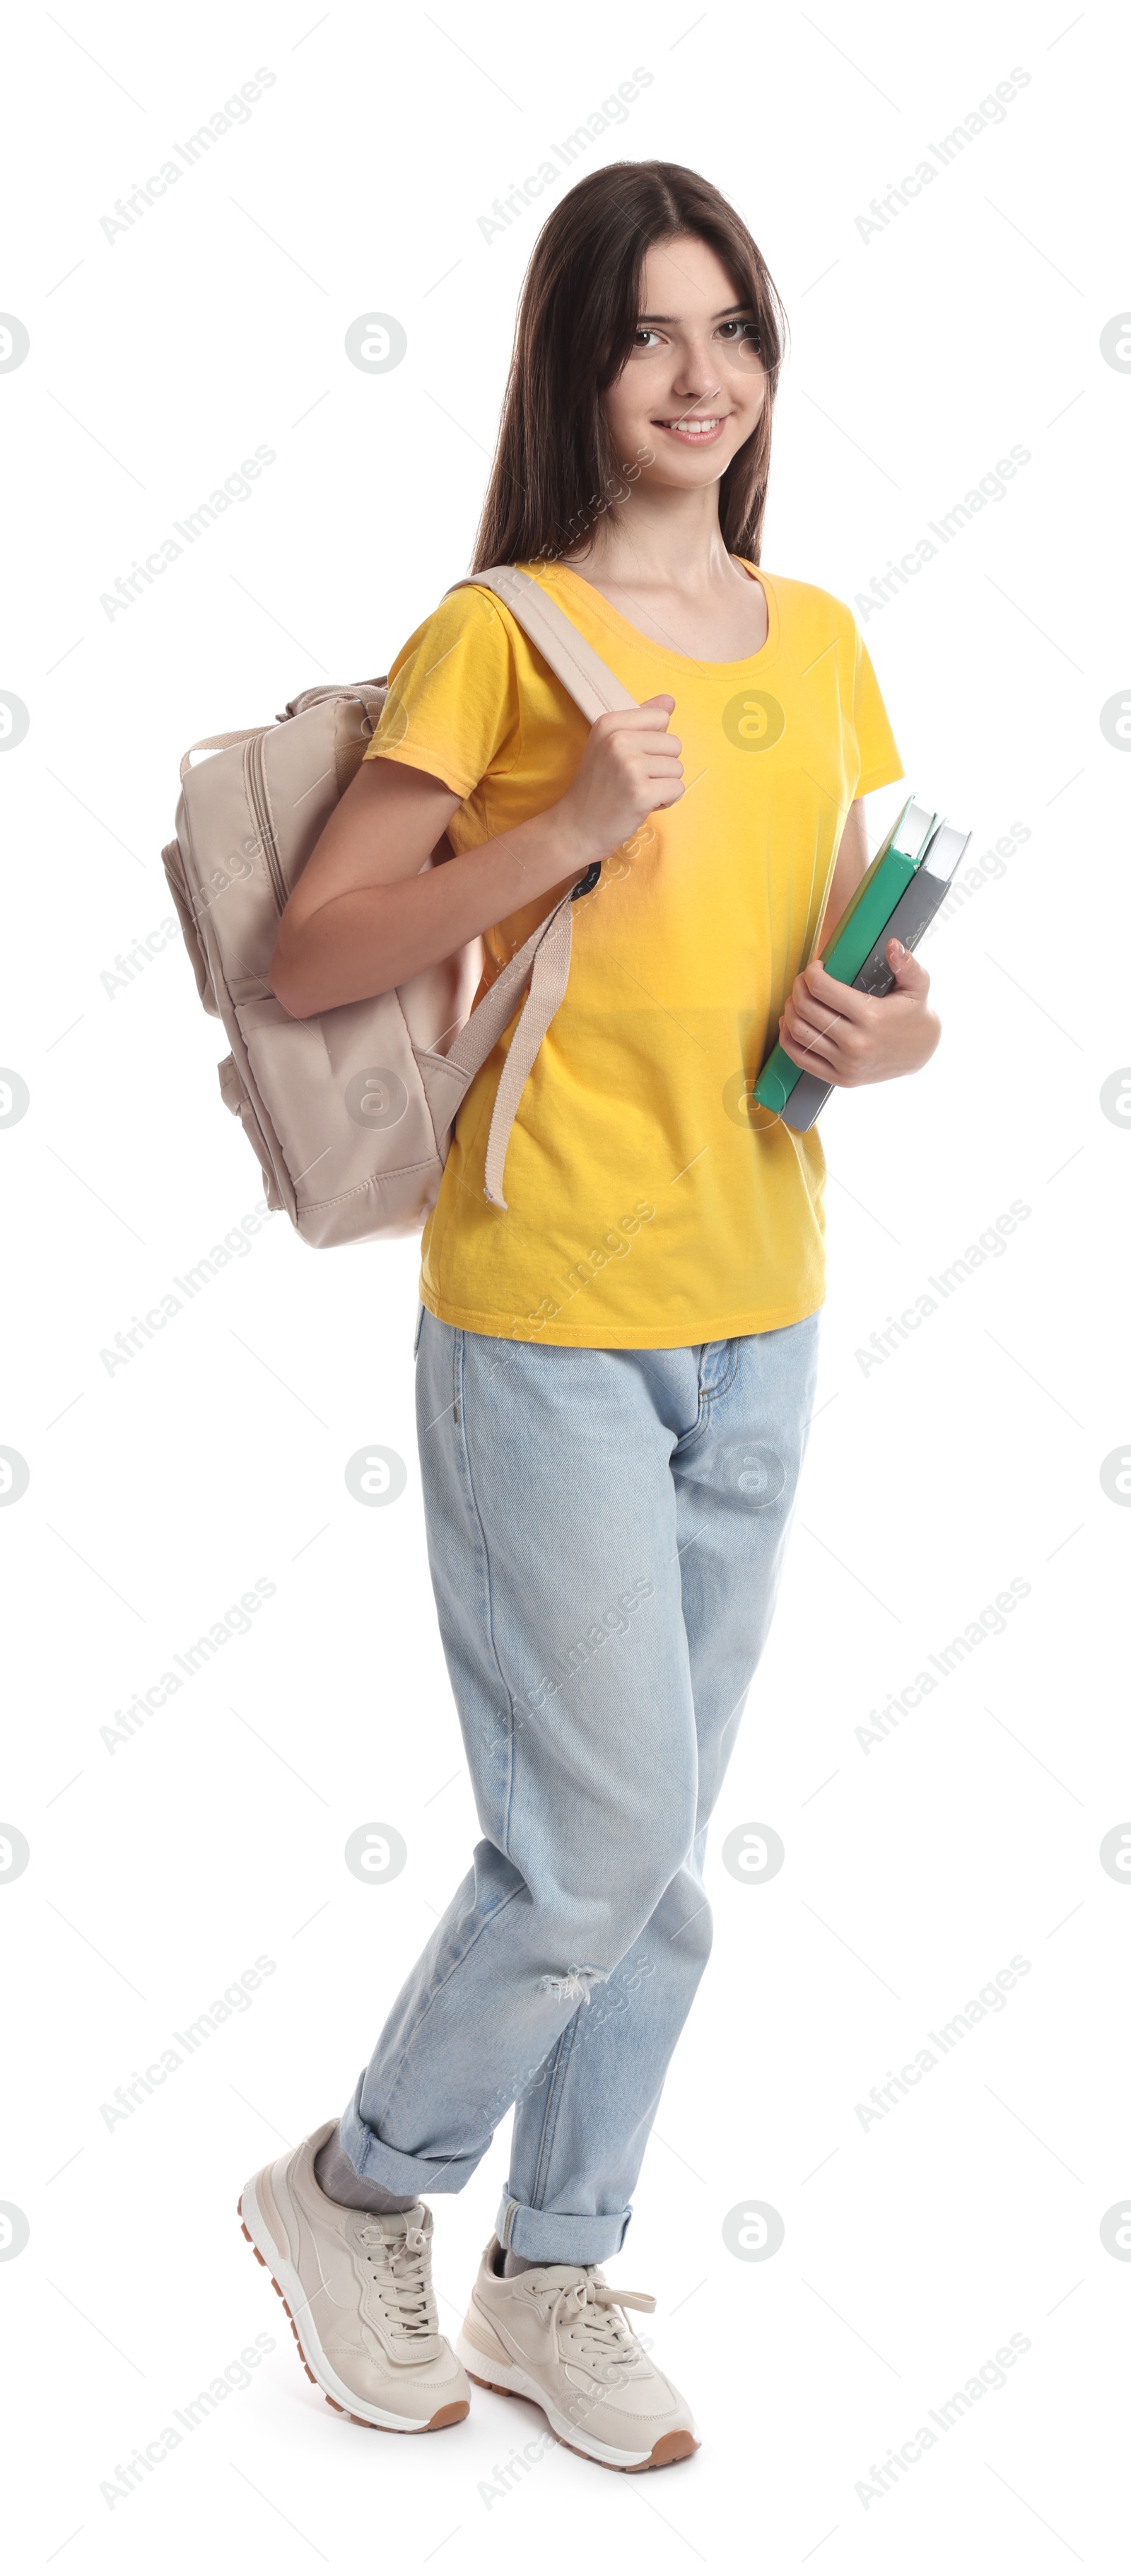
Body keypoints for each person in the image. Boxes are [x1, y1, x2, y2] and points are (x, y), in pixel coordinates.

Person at [238, 159, 937, 2472]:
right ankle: (360, 2189)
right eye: (649, 331)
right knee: (599, 1833)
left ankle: (558, 2268)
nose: (698, 371)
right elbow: (310, 954)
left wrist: (886, 1028)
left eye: (730, 325)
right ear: (576, 365)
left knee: (663, 1853)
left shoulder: (821, 640)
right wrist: (558, 827)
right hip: (542, 1305)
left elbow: (862, 972)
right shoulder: (504, 632)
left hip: (765, 1301)